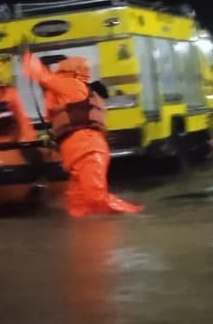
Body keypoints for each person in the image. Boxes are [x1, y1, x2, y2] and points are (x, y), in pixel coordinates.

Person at [21, 49, 143, 216]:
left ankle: (135, 215)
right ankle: (88, 230)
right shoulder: (69, 92)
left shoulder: (71, 85)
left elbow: (42, 76)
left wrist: (26, 57)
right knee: (78, 204)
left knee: (95, 197)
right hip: (80, 151)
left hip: (88, 150)